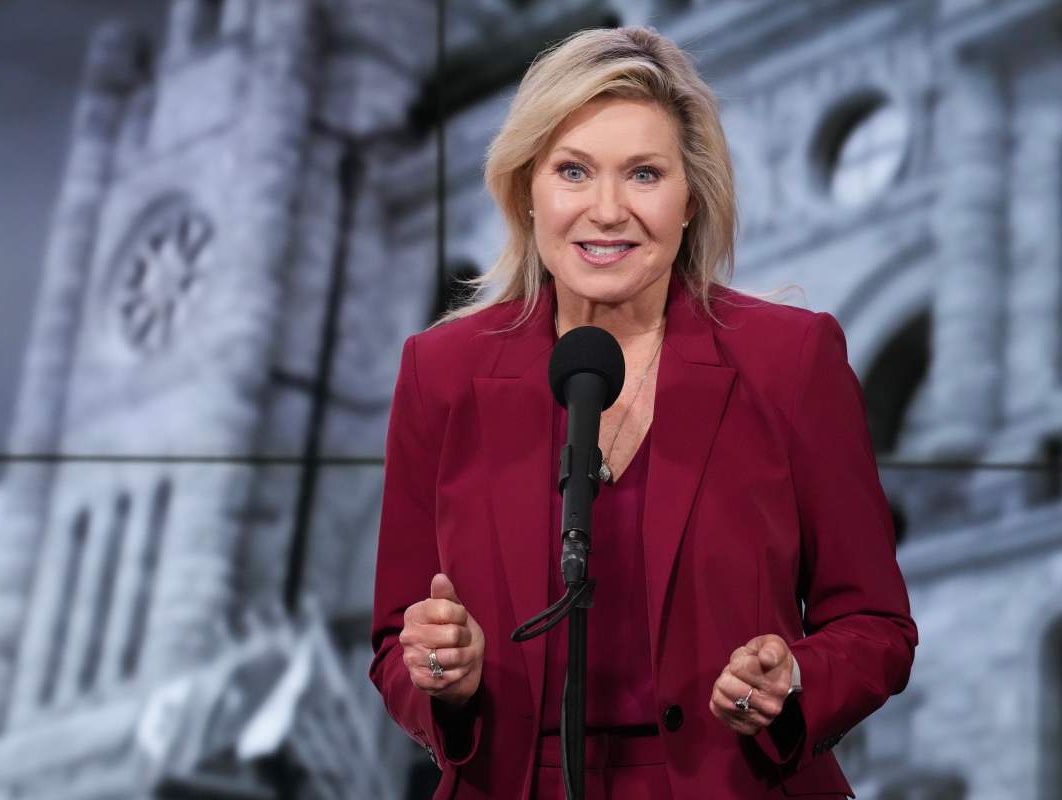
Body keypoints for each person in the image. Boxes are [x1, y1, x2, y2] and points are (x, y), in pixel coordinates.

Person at [369, 25, 917, 800]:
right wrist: (437, 672)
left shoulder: (792, 361)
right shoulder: (440, 374)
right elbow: (397, 637)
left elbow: (876, 628)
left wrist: (794, 676)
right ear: (528, 190)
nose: (607, 210)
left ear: (691, 199)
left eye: (644, 174)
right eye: (573, 172)